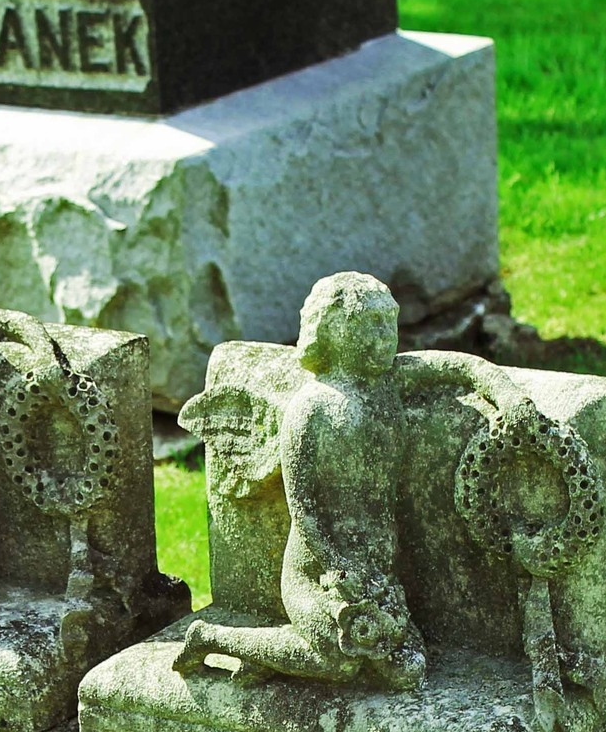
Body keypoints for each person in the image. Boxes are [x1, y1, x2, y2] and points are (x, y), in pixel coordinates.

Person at [174, 271, 541, 690]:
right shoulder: (310, 410)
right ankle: (211, 638)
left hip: (377, 570)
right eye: (370, 324)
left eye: (390, 323)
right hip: (317, 572)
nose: (386, 337)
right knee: (341, 662)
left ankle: (274, 656)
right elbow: (304, 510)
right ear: (333, 330)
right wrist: (340, 568)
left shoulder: (390, 383)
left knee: (409, 670)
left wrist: (512, 400)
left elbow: (463, 366)